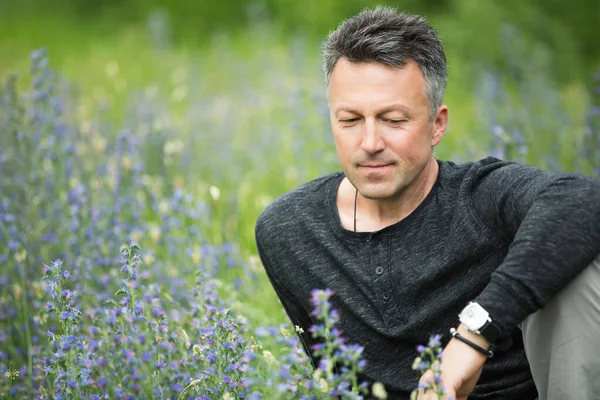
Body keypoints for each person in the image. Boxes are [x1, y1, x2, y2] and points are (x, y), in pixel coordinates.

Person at [254, 6, 600, 400]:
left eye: (394, 119)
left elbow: (585, 199)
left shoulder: (482, 198)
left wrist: (475, 333)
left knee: (573, 259)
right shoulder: (290, 230)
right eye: (350, 120)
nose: (369, 143)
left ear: (437, 124)